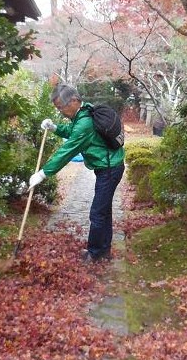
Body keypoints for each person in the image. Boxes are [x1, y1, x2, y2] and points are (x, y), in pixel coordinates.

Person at [28, 83, 125, 263]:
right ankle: (104, 250)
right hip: (109, 167)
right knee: (104, 211)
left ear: (73, 101)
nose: (61, 112)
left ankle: (94, 253)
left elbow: (67, 151)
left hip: (110, 169)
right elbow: (72, 132)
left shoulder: (84, 123)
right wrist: (55, 127)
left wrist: (42, 174)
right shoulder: (83, 114)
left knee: (97, 213)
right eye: (58, 109)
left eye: (61, 107)